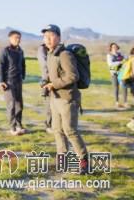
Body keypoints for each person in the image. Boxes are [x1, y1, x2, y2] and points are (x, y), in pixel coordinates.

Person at [41, 24, 88, 174]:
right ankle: (63, 161)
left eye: (51, 35)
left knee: (70, 131)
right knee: (57, 130)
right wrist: (46, 81)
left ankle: (84, 162)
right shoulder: (50, 54)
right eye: (45, 36)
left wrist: (53, 84)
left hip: (67, 99)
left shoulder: (64, 54)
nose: (48, 39)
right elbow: (53, 73)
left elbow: (73, 76)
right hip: (55, 98)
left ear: (59, 37)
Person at [0, 30, 27, 135]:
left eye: (19, 38)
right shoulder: (5, 50)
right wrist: (1, 81)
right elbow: (0, 65)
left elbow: (23, 64)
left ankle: (19, 125)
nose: (18, 40)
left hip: (18, 80)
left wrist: (23, 75)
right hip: (8, 82)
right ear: (10, 39)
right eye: (15, 38)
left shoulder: (20, 51)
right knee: (12, 105)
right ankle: (12, 127)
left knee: (19, 104)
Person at [37, 43, 53, 134]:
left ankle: (53, 124)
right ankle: (49, 125)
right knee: (49, 105)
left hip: (56, 81)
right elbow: (45, 66)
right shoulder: (42, 49)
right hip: (48, 81)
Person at [106, 42, 128, 109]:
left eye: (116, 47)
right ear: (111, 48)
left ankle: (125, 102)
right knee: (116, 88)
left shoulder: (120, 54)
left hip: (122, 73)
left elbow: (126, 58)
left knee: (124, 87)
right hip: (114, 73)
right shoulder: (109, 55)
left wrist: (126, 59)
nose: (115, 48)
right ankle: (117, 102)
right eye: (113, 47)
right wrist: (120, 62)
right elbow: (110, 64)